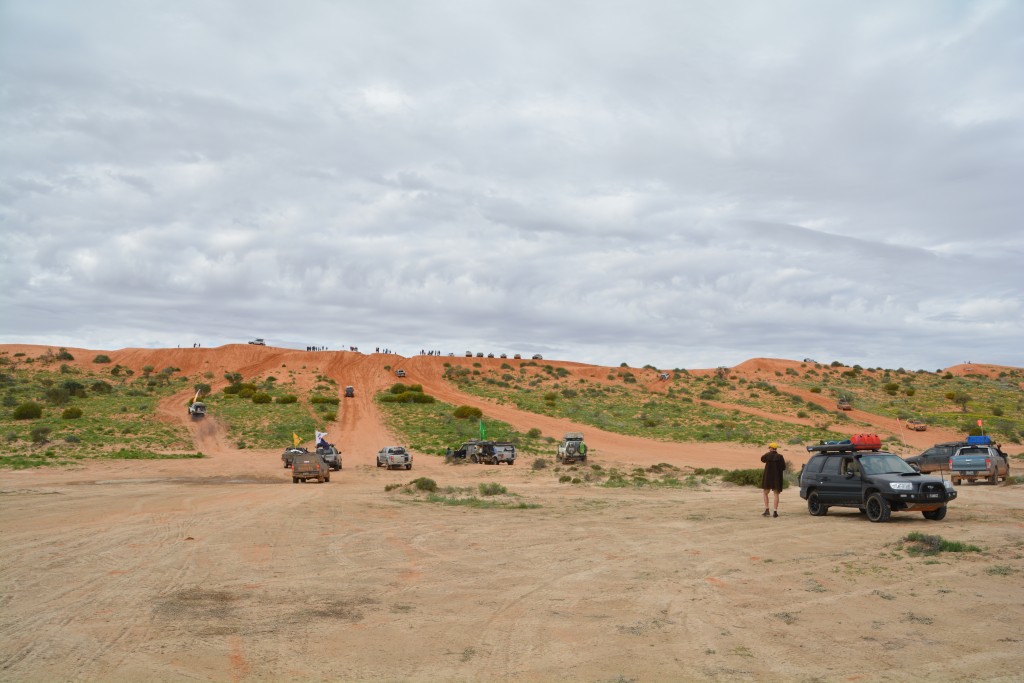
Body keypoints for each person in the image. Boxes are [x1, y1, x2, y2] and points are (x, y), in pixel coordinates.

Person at [760, 442, 786, 518]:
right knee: (776, 494)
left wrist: (768, 453)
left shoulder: (767, 455)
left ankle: (767, 510)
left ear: (771, 448)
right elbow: (783, 467)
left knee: (765, 493)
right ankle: (775, 511)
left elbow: (762, 459)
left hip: (768, 478)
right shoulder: (780, 457)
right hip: (777, 478)